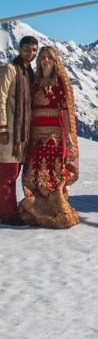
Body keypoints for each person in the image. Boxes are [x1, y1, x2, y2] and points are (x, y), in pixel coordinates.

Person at [17, 45, 80, 228]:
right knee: (34, 173)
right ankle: (35, 209)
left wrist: (68, 137)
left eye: (49, 58)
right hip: (34, 136)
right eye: (42, 57)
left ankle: (56, 208)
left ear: (54, 61)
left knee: (53, 173)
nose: (45, 60)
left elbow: (66, 111)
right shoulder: (35, 82)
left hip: (53, 136)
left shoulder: (60, 83)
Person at [0, 35, 38, 226]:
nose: (30, 54)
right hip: (9, 134)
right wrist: (2, 127)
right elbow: (1, 97)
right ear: (19, 48)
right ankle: (7, 215)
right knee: (7, 174)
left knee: (13, 174)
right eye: (27, 49)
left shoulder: (29, 73)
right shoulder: (10, 69)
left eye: (33, 50)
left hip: (22, 135)